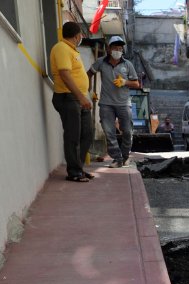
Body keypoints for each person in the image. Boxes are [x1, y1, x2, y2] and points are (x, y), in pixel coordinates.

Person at [50, 22, 94, 182]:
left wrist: (83, 96)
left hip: (78, 98)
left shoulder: (71, 50)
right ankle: (74, 172)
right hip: (68, 97)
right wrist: (81, 97)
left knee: (87, 134)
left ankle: (79, 168)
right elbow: (65, 74)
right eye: (81, 35)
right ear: (77, 36)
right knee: (73, 136)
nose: (81, 37)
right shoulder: (61, 48)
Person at [89, 36, 140, 168]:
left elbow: (136, 84)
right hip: (106, 103)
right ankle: (117, 158)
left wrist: (125, 82)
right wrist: (88, 90)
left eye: (120, 48)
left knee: (127, 131)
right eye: (115, 48)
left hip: (123, 104)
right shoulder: (101, 62)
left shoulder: (127, 64)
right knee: (109, 131)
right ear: (109, 49)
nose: (118, 50)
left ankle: (125, 156)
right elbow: (88, 73)